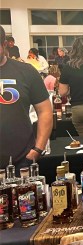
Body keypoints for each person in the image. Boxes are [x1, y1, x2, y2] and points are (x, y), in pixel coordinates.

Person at [0, 25, 53, 169]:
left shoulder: (26, 71)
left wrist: (38, 149)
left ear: (4, 45)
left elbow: (45, 111)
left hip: (21, 160)